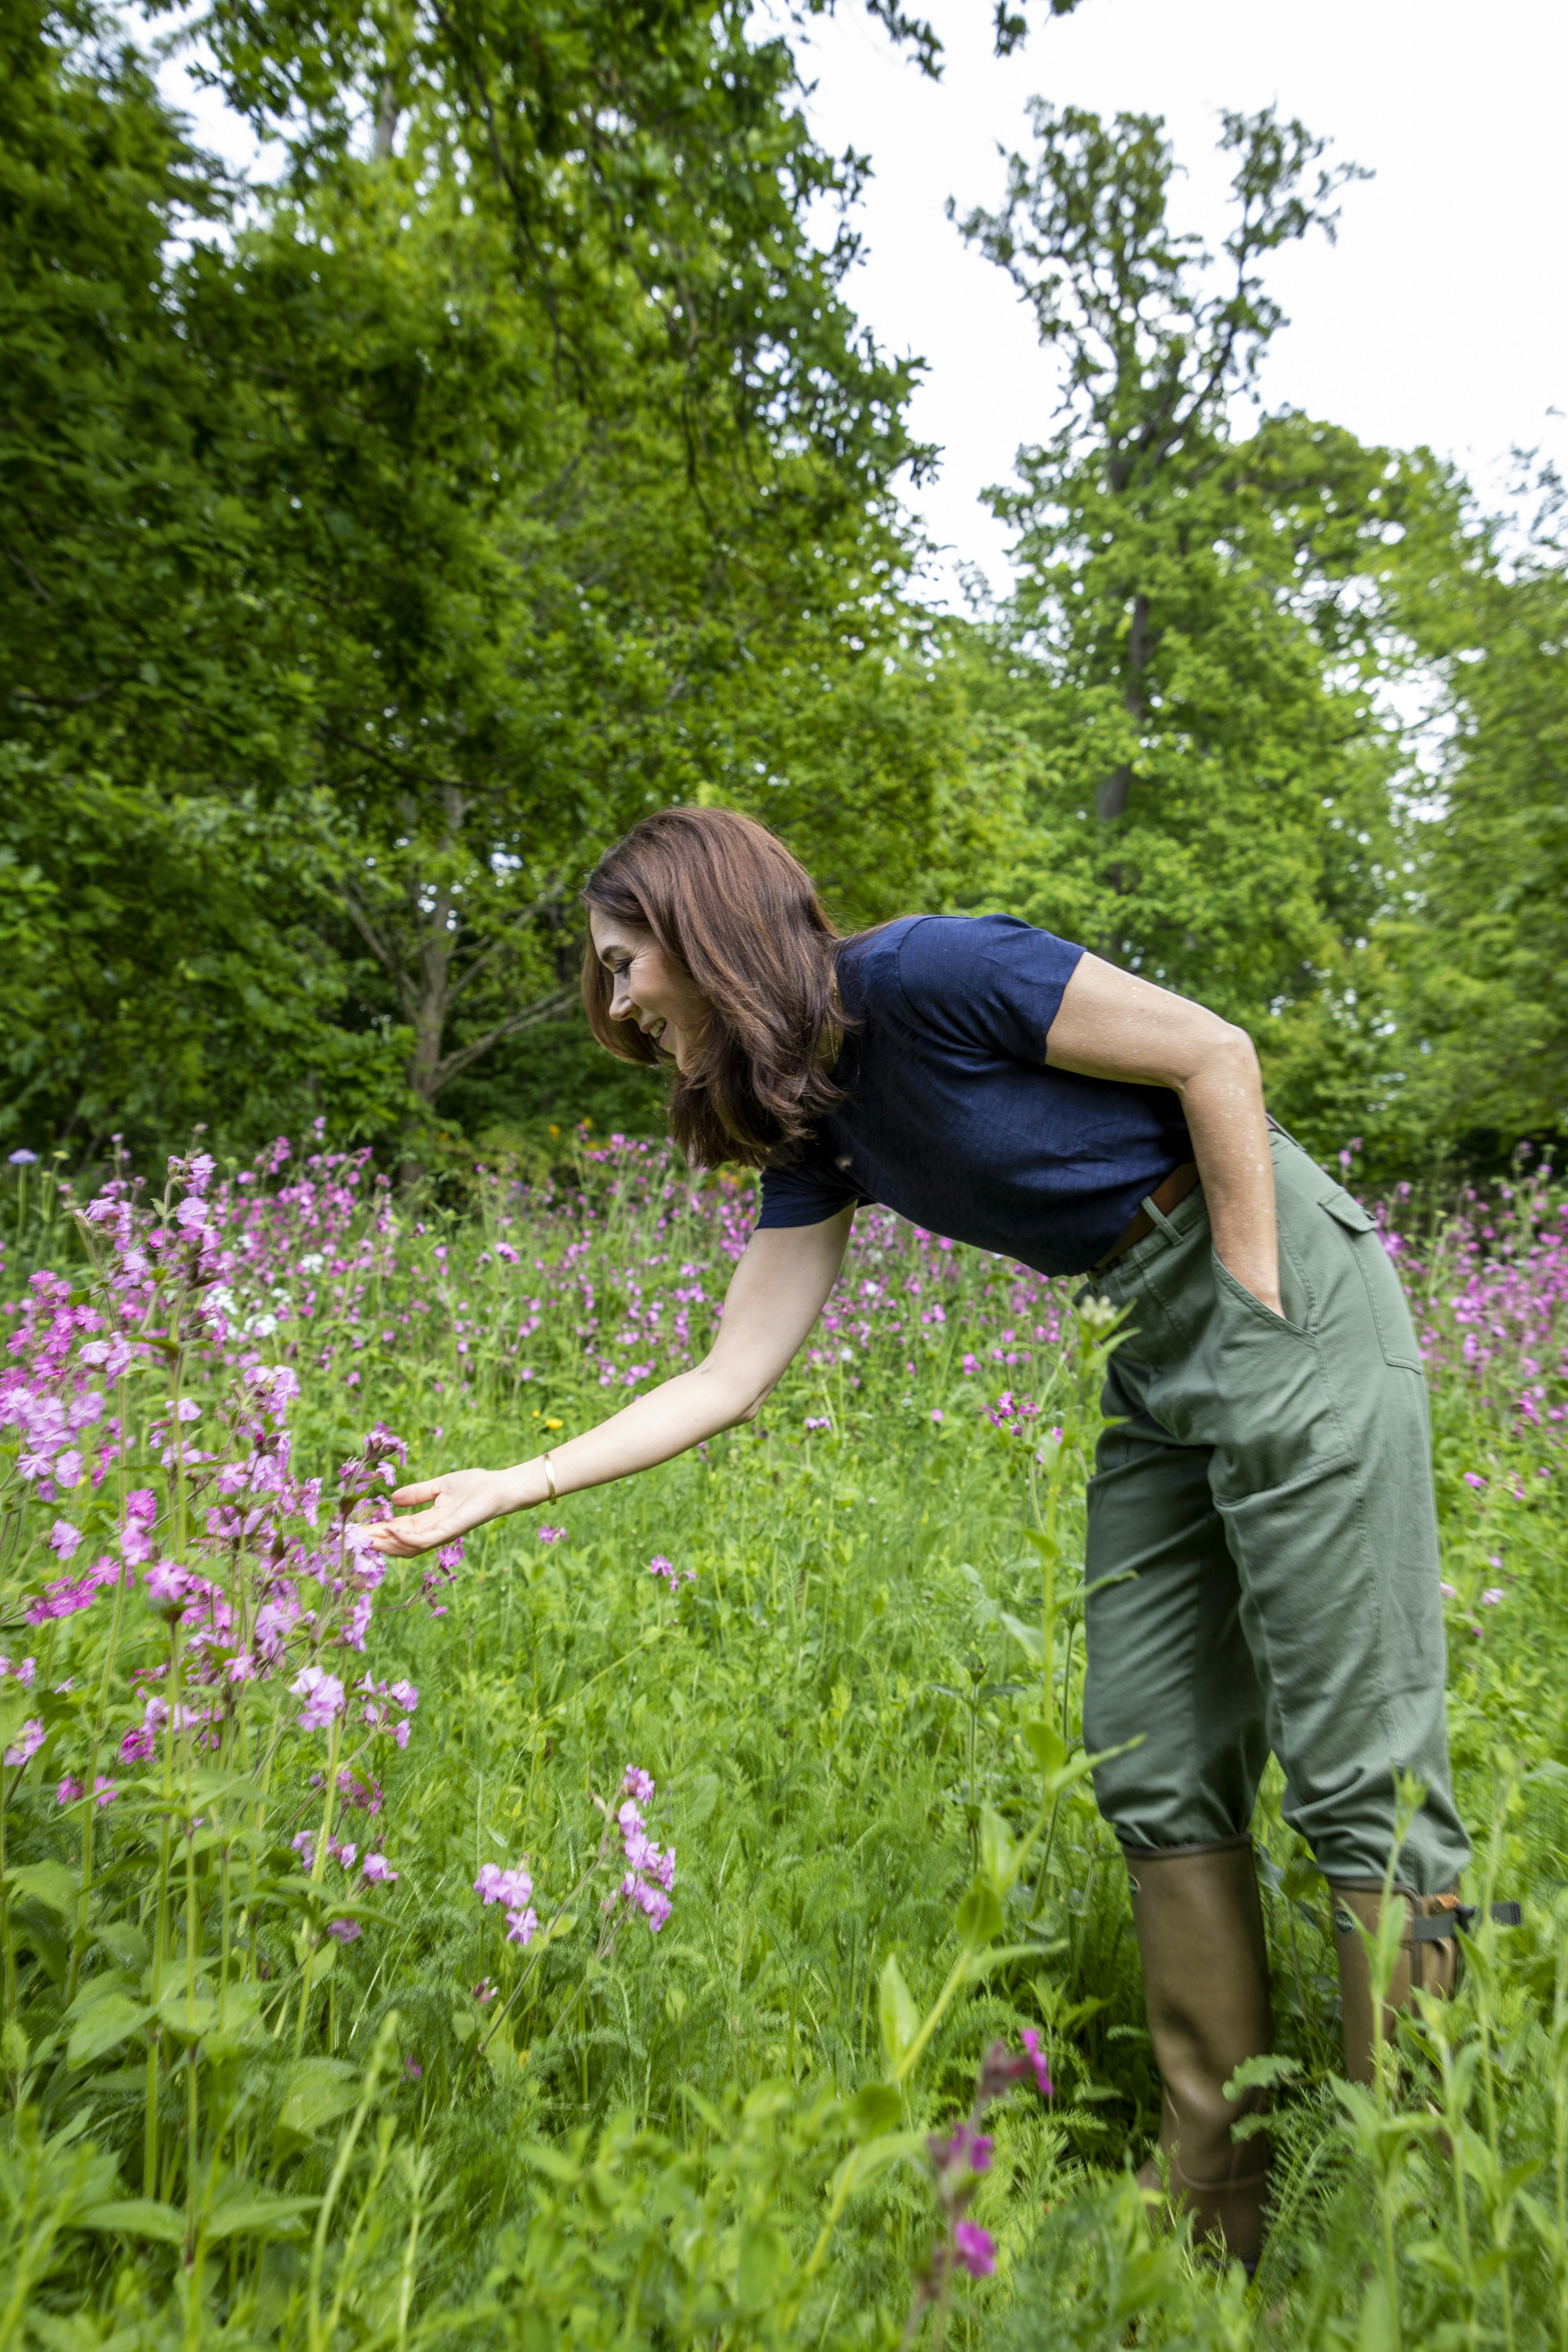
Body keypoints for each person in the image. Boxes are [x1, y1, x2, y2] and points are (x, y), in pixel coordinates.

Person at [369, 804, 1470, 2266]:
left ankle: (1412, 2211)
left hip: (1282, 1294)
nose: (618, 999)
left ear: (705, 929)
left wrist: (1258, 1309)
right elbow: (728, 1373)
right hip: (1151, 1336)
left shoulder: (936, 974)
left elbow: (1215, 1055)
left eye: (627, 959)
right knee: (1147, 1750)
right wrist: (510, 1483)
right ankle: (1216, 2214)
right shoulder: (813, 1120)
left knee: (1358, 1769)